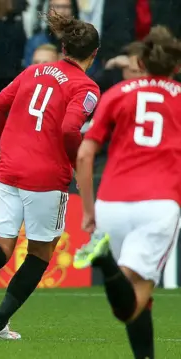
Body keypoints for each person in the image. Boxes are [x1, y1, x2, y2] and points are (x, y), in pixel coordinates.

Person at [0, 10, 101, 339]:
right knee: (41, 253)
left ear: (63, 47)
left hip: (7, 168)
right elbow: (71, 129)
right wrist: (74, 160)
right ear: (94, 54)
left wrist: (0, 144)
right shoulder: (87, 87)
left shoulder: (34, 70)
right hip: (46, 176)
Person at [73, 26, 181, 359]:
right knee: (131, 304)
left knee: (137, 299)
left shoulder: (118, 93)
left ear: (141, 62)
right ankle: (104, 262)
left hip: (111, 204)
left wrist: (89, 211)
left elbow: (84, 154)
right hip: (159, 205)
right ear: (176, 66)